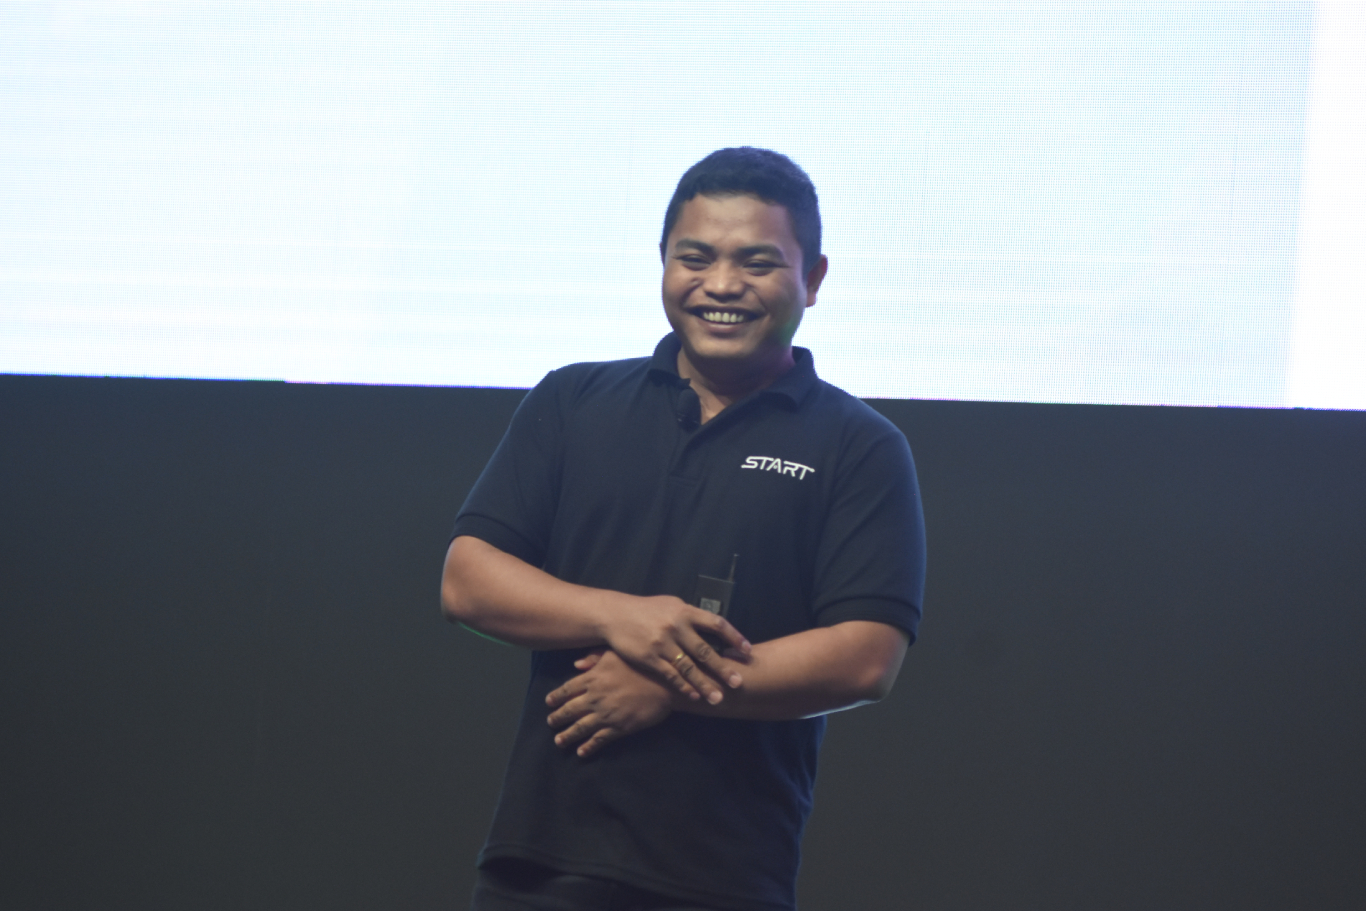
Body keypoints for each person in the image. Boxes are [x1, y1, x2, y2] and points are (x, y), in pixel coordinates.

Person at [442, 147, 926, 911]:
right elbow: (469, 579)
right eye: (694, 258)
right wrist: (624, 617)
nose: (721, 285)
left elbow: (866, 656)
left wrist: (672, 687)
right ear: (664, 262)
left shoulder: (859, 445)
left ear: (813, 278)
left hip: (724, 875)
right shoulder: (573, 400)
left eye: (757, 262)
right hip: (537, 863)